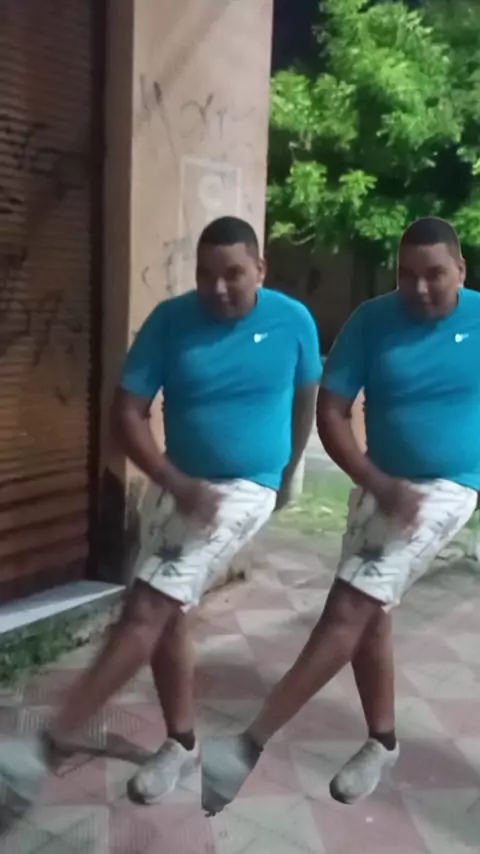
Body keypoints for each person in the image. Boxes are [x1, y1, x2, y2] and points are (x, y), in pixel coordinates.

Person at [0, 216, 321, 806]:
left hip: (241, 491)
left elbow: (306, 400)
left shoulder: (293, 320)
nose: (218, 288)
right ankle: (182, 742)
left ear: (260, 270)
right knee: (167, 614)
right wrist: (174, 481)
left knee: (146, 607)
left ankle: (46, 744)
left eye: (233, 274)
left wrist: (286, 473)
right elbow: (127, 413)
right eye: (205, 275)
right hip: (178, 485)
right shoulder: (171, 321)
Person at [201, 216, 480, 815]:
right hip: (380, 484)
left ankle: (247, 745)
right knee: (370, 615)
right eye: (407, 275)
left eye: (434, 274)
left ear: (461, 270)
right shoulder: (372, 322)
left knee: (348, 608)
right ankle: (382, 742)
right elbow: (332, 412)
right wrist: (373, 480)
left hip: (447, 490)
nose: (420, 287)